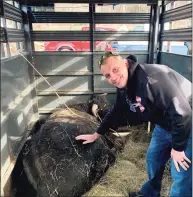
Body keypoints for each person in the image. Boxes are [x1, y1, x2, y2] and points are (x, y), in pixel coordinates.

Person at [75, 52, 192, 197]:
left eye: (115, 69)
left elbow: (184, 113)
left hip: (187, 123)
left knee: (181, 173)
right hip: (165, 124)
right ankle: (149, 193)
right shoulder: (125, 84)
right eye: (107, 75)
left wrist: (178, 148)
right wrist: (96, 134)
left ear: (125, 63)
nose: (112, 77)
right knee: (153, 158)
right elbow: (116, 110)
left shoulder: (151, 79)